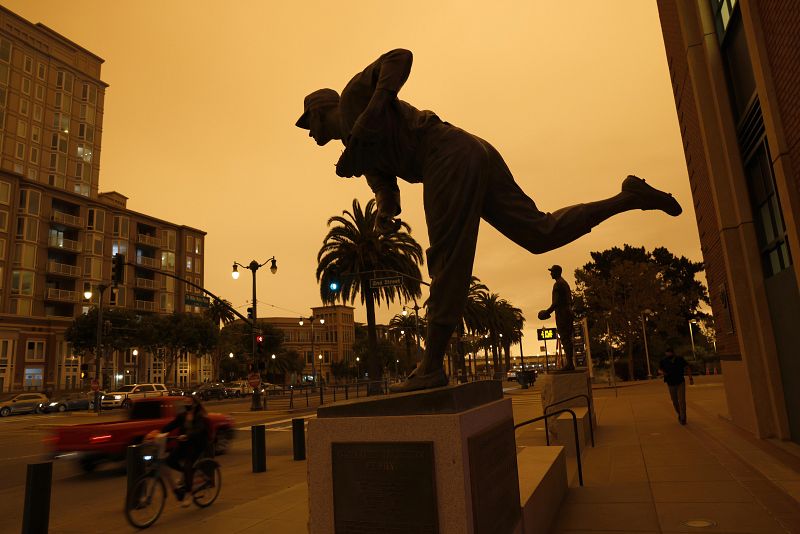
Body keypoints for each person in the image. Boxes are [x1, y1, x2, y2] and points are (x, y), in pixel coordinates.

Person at [296, 48, 683, 392]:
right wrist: (383, 215)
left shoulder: (351, 99)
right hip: (468, 151)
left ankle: (431, 366)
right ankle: (628, 197)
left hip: (445, 154)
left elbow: (401, 56)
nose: (309, 133)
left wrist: (372, 114)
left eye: (308, 124)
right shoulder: (356, 151)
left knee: (447, 259)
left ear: (318, 111)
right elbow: (388, 195)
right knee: (539, 233)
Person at [150, 396, 210, 505]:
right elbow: (171, 425)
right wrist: (159, 433)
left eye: (189, 402)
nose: (186, 404)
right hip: (184, 444)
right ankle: (188, 475)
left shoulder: (199, 416)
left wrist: (187, 435)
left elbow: (199, 429)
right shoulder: (182, 416)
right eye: (185, 402)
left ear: (195, 404)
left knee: (188, 465)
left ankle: (189, 494)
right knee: (170, 461)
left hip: (196, 444)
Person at [537, 265, 575, 371]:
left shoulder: (558, 284)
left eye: (552, 271)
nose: (550, 273)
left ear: (557, 272)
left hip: (563, 314)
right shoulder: (564, 283)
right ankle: (570, 363)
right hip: (567, 312)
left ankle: (570, 364)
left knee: (565, 338)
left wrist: (546, 312)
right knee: (566, 338)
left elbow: (556, 303)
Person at [658, 347, 693, 425]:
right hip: (670, 383)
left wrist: (690, 378)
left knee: (682, 400)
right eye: (667, 353)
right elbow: (659, 369)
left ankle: (683, 418)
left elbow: (687, 367)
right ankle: (680, 414)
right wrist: (662, 373)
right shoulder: (663, 361)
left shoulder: (679, 359)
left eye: (669, 353)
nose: (668, 354)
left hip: (680, 382)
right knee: (675, 401)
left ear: (673, 353)